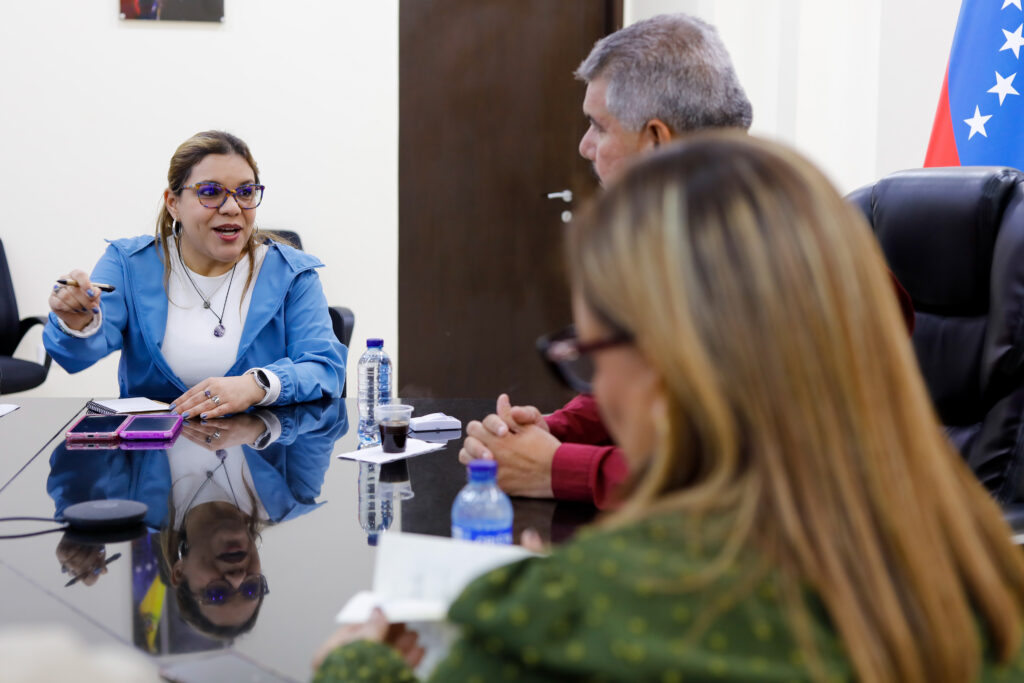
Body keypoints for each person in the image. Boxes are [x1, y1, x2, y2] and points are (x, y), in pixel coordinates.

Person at [314, 133, 1024, 682]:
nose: (597, 387)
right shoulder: (986, 578)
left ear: (666, 366)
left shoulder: (564, 625)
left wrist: (357, 661)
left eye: (592, 355)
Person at [461, 13, 915, 509]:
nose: (584, 146)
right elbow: (672, 398)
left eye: (598, 126)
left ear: (656, 140)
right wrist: (550, 432)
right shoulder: (695, 234)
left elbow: (746, 476)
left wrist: (557, 468)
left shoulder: (785, 256)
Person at [44, 130, 346, 418]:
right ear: (173, 203)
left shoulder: (292, 274)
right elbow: (75, 356)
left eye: (245, 192)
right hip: (150, 458)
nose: (231, 207)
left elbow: (325, 368)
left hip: (261, 451)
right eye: (211, 192)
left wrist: (256, 385)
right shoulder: (128, 264)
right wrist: (76, 322)